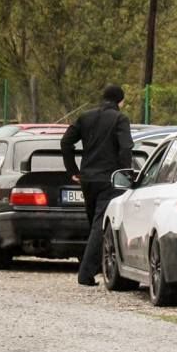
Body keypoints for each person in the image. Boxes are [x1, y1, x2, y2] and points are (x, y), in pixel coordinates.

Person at [61, 84, 134, 286]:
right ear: (121, 101)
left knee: (95, 223)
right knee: (100, 226)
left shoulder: (85, 117)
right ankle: (86, 273)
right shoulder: (120, 119)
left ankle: (98, 267)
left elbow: (66, 142)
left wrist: (72, 170)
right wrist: (124, 173)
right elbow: (126, 148)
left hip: (87, 180)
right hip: (109, 180)